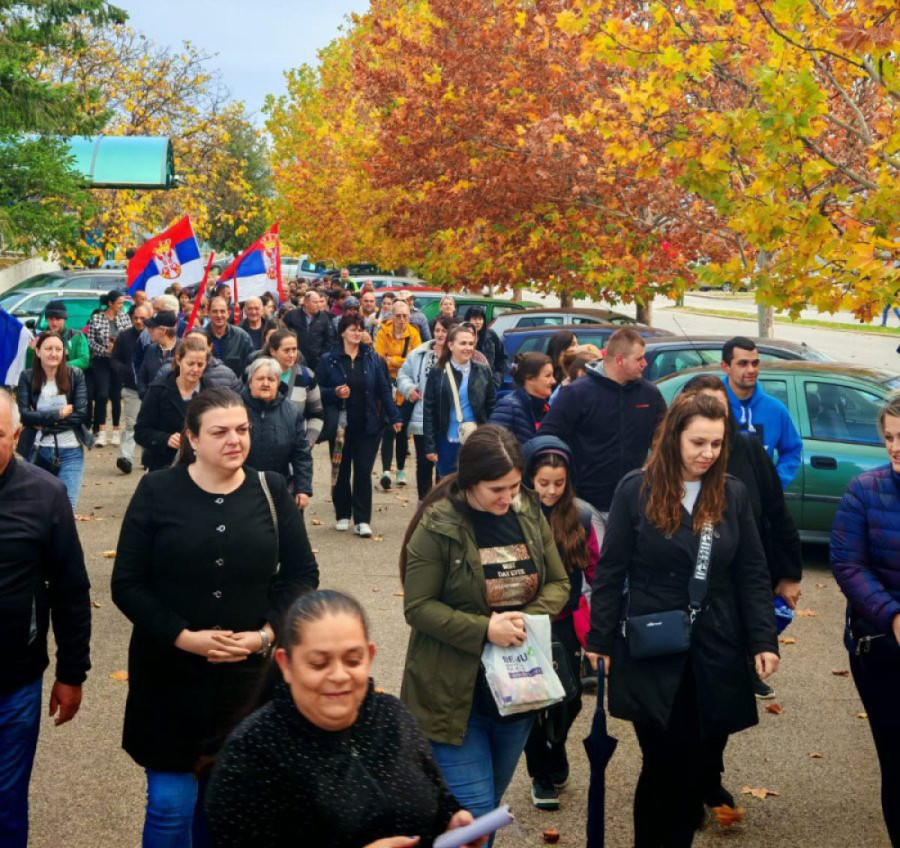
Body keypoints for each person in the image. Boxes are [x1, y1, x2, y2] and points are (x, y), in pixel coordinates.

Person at [112, 387, 319, 847]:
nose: (235, 440)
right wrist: (183, 636)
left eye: (242, 429)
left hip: (247, 684)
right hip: (169, 678)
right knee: (169, 807)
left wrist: (265, 635)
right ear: (192, 437)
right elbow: (127, 583)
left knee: (228, 810)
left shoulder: (271, 489)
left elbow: (302, 576)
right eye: (220, 432)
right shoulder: (157, 490)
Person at [585, 393, 779, 847]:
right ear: (673, 438)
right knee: (661, 763)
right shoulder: (636, 488)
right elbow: (610, 572)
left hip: (715, 649)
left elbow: (752, 572)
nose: (707, 453)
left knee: (694, 766)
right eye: (698, 443)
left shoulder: (732, 492)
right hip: (653, 647)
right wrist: (599, 641)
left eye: (716, 443)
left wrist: (763, 640)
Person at [206, 590, 488, 848]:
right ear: (286, 664)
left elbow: (437, 796)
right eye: (319, 664)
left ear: (370, 656)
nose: (339, 676)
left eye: (353, 660)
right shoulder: (251, 752)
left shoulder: (393, 716)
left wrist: (452, 821)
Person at [400, 425, 570, 824]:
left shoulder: (527, 510)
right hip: (452, 697)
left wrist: (524, 619)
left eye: (514, 486)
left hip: (517, 692)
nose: (508, 497)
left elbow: (559, 582)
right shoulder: (438, 524)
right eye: (497, 489)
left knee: (487, 809)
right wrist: (486, 629)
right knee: (474, 814)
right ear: (470, 481)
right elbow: (418, 607)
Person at [681, 374, 803, 800]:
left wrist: (788, 574)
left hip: (733, 598)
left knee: (723, 698)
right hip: (683, 601)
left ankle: (708, 776)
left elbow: (777, 512)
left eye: (720, 408)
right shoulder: (660, 470)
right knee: (682, 703)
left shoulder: (748, 451)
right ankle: (682, 782)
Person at [0, 389, 91, 848]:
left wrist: (72, 673)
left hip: (13, 683)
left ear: (16, 435)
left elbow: (71, 590)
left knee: (5, 801)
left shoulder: (46, 495)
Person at [830, 394, 900, 847]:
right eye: (889, 437)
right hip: (882, 651)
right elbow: (848, 564)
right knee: (897, 761)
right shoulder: (864, 490)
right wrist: (893, 616)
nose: (895, 447)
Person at [521, 436, 601, 811]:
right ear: (529, 478)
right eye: (543, 483)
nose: (551, 491)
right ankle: (541, 773)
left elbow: (598, 570)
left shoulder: (581, 517)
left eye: (559, 483)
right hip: (522, 623)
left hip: (564, 621)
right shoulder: (513, 514)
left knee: (568, 698)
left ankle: (557, 742)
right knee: (528, 701)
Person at [541, 327, 666, 517]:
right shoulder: (577, 393)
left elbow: (664, 439)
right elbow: (547, 439)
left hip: (634, 502)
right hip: (586, 503)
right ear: (619, 360)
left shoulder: (650, 394)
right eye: (639, 358)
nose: (645, 363)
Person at [316, 313, 402, 537]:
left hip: (368, 425)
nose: (357, 333)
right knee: (341, 470)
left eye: (360, 329)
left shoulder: (372, 358)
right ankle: (342, 514)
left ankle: (362, 520)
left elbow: (384, 390)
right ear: (342, 332)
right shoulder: (329, 359)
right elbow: (316, 391)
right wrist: (334, 392)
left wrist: (395, 417)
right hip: (340, 427)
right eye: (352, 329)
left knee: (363, 471)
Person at [16, 331, 92, 511]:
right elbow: (24, 415)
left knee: (67, 508)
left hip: (71, 452)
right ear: (38, 351)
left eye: (58, 349)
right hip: (38, 450)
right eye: (48, 348)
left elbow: (81, 414)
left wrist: (43, 423)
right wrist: (58, 414)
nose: (54, 353)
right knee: (37, 508)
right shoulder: (27, 376)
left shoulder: (75, 375)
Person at [720, 336, 802, 490]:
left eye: (755, 363)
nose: (751, 370)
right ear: (725, 367)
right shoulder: (711, 405)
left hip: (759, 501)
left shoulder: (776, 410)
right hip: (715, 498)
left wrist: (775, 484)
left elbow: (792, 451)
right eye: (743, 363)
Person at [397, 315, 458, 502]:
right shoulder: (419, 354)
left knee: (444, 465)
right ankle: (423, 504)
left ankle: (441, 504)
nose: (440, 334)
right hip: (423, 416)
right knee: (423, 463)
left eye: (444, 331)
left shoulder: (457, 356)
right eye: (437, 330)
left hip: (448, 420)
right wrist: (410, 389)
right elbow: (403, 374)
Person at [423, 323, 496, 477]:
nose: (468, 348)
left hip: (475, 440)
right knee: (448, 484)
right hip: (446, 441)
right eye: (463, 343)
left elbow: (491, 407)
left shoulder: (483, 371)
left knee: (472, 483)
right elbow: (429, 410)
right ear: (450, 345)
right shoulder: (437, 372)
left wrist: (491, 440)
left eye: (471, 343)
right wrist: (430, 446)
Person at [241, 357, 313, 509]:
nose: (265, 383)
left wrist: (303, 489)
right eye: (260, 378)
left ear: (278, 383)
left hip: (280, 488)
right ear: (250, 382)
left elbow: (301, 454)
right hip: (242, 489)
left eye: (271, 379)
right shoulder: (235, 408)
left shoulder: (292, 412)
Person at [135, 334, 212, 472]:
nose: (195, 369)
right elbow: (140, 431)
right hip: (164, 466)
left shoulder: (211, 392)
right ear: (178, 359)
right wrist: (166, 439)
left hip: (202, 467)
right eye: (190, 363)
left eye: (200, 364)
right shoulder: (158, 390)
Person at [374, 297, 422, 490]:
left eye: (405, 316)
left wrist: (392, 359)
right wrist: (400, 360)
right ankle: (386, 471)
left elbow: (415, 360)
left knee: (402, 429)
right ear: (391, 316)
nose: (402, 320)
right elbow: (379, 358)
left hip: (406, 386)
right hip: (387, 385)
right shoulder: (383, 332)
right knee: (388, 427)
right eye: (398, 316)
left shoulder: (414, 333)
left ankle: (400, 469)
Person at [261, 329, 324, 446]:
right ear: (273, 351)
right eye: (286, 350)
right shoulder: (258, 376)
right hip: (263, 447)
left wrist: (309, 441)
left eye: (294, 349)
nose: (292, 355)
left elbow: (316, 414)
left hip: (296, 447)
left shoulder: (306, 376)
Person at [86, 288, 131, 447]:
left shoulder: (125, 317)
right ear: (110, 303)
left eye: (123, 303)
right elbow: (90, 341)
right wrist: (106, 350)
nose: (121, 306)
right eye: (119, 303)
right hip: (101, 361)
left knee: (116, 395)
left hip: (118, 362)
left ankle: (116, 431)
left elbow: (128, 338)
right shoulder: (96, 318)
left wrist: (118, 350)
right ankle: (101, 432)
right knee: (102, 395)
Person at [111, 304, 151, 475]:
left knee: (150, 424)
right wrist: (124, 370)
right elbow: (114, 359)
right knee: (131, 424)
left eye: (143, 318)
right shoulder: (124, 336)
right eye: (136, 318)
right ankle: (126, 458)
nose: (139, 321)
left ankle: (148, 457)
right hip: (131, 388)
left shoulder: (155, 336)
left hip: (152, 389)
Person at [489, 352, 555, 444]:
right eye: (548, 376)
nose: (553, 381)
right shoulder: (508, 407)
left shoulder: (545, 408)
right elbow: (492, 443)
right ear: (530, 378)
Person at [25, 299, 89, 370]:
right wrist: (31, 350)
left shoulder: (77, 336)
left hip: (70, 375)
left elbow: (84, 361)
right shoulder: (40, 337)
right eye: (51, 319)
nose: (54, 323)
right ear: (46, 319)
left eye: (58, 319)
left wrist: (58, 366)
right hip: (45, 375)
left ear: (64, 319)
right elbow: (30, 367)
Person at [284, 290, 335, 370]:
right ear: (306, 303)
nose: (318, 305)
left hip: (316, 361)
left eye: (319, 302)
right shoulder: (291, 315)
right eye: (315, 302)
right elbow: (284, 334)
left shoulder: (324, 317)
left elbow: (329, 339)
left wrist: (321, 355)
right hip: (296, 359)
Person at [205, 296, 253, 378]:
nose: (219, 315)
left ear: (228, 313)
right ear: (208, 313)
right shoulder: (200, 338)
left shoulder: (242, 337)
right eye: (215, 311)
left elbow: (250, 368)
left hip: (235, 385)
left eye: (222, 311)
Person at [136, 311, 179, 398]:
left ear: (163, 331)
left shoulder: (183, 350)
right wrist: (145, 395)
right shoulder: (151, 349)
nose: (148, 331)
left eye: (152, 328)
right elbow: (142, 376)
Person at [464, 306, 506, 387]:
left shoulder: (491, 335)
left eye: (480, 319)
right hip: (468, 383)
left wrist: (498, 377)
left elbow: (502, 357)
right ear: (468, 319)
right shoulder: (461, 336)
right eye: (474, 318)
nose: (478, 322)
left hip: (490, 383)